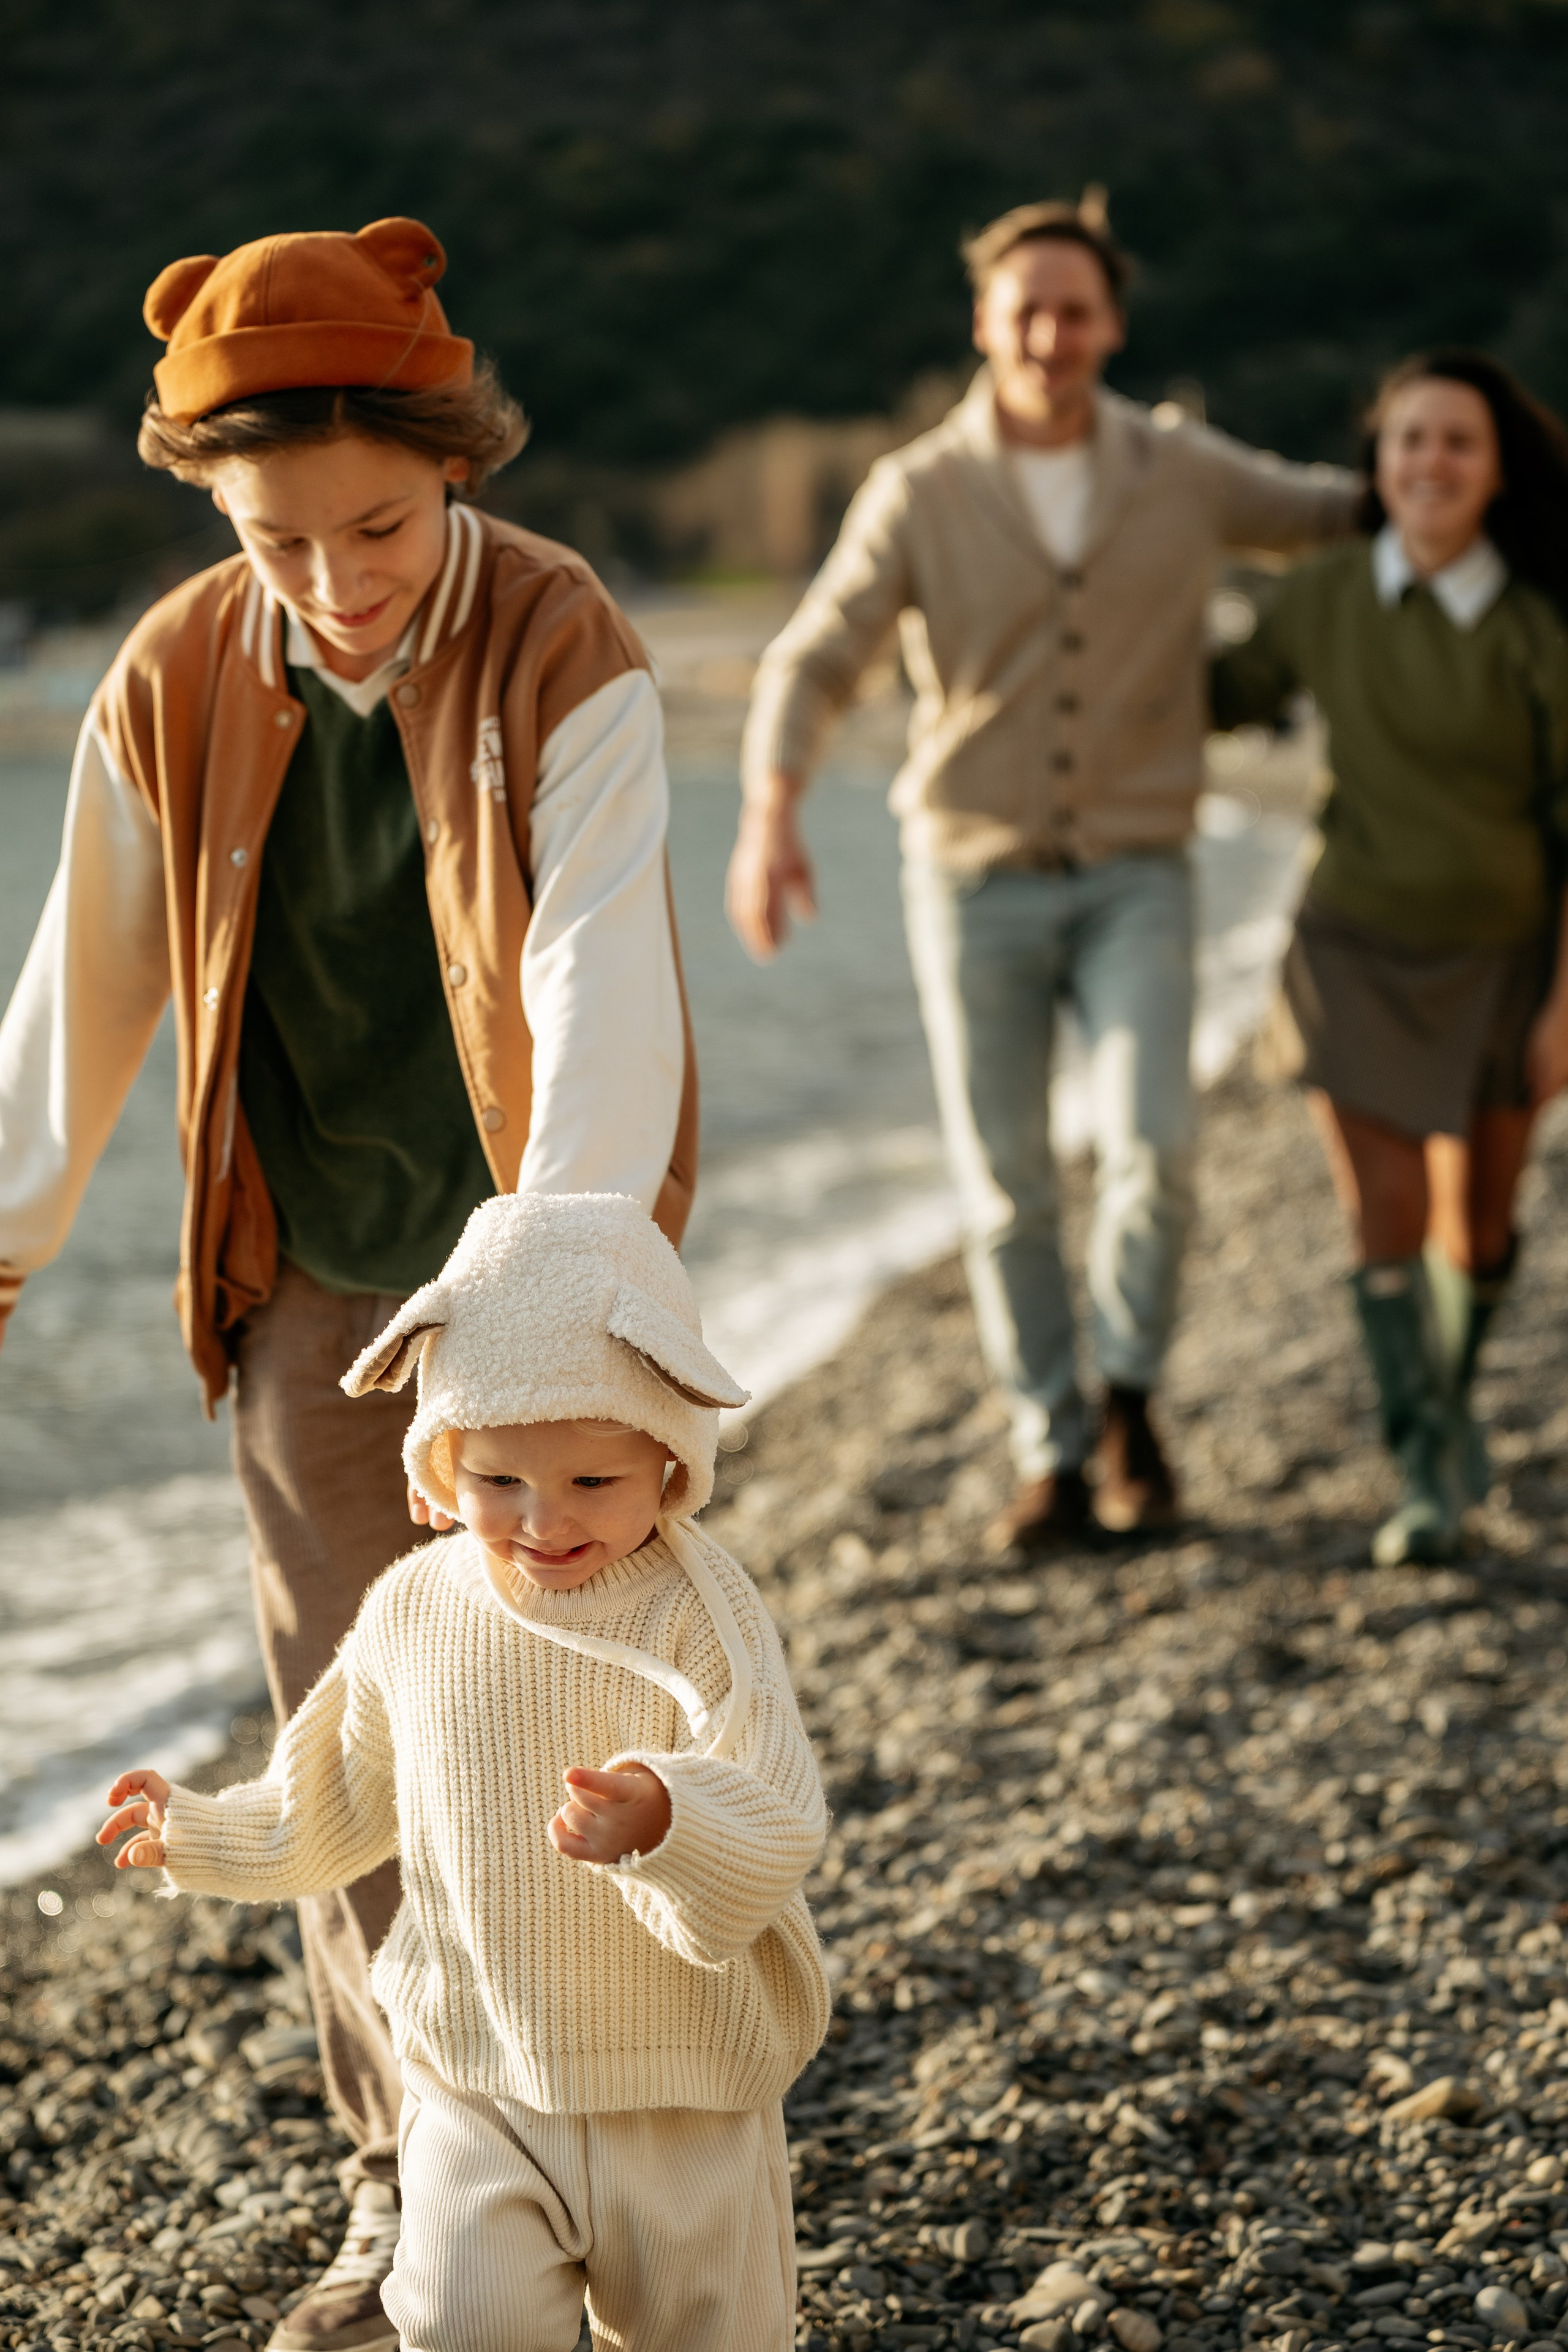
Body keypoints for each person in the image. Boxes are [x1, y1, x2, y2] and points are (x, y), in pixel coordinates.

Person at [0, 219, 695, 2351]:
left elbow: (595, 985)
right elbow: (83, 995)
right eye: (279, 535)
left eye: (378, 522)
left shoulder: (568, 639)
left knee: (588, 1728)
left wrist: (547, 1294)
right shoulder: (177, 670)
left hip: (546, 1270)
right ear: (220, 508)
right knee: (353, 1758)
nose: (336, 575)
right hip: (304, 1284)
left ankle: (635, 2166)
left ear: (453, 463)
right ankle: (412, 2194)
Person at [728, 194, 1356, 1555]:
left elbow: (1325, 517)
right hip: (970, 875)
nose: (1050, 334)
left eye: (1074, 310)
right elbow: (817, 653)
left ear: (1111, 323)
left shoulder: (1179, 470)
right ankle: (1048, 1455)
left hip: (1139, 866)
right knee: (1006, 1182)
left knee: (1156, 1145)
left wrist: (1460, 483)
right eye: (1026, 310)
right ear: (984, 323)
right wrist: (769, 808)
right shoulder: (918, 489)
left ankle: (1126, 1399)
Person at [99, 1190, 829, 2352]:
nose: (544, 1521)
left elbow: (779, 1812)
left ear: (670, 1456)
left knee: (705, 2333)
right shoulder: (417, 1606)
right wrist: (202, 1833)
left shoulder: (701, 1613)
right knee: (457, 2319)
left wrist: (666, 1820)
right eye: (498, 1482)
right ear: (441, 1460)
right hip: (478, 2066)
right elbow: (330, 1795)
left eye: (594, 1482)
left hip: (680, 2080)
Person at [1212, 351, 1568, 1566]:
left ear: (1493, 470)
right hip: (1349, 945)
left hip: (1506, 959)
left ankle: (1452, 1413)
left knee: (1474, 1232)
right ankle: (1422, 1471)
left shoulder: (1535, 625)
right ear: (1377, 462)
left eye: (1455, 442)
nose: (1428, 462)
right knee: (1383, 1214)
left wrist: (1563, 1003)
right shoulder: (1316, 596)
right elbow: (1214, 693)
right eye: (1407, 439)